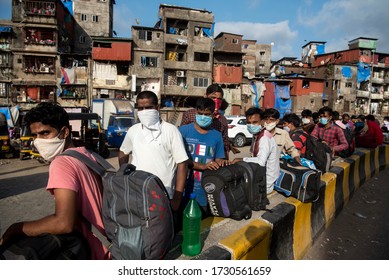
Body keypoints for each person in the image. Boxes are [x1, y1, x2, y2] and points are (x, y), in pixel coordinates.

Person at [0, 103, 109, 259]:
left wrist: (16, 228)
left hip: (94, 252)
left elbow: (63, 223)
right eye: (35, 135)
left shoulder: (61, 163)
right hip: (110, 246)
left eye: (45, 133)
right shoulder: (88, 155)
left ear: (64, 132)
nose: (38, 141)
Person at [118, 91, 189, 212]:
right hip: (137, 192)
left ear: (157, 107)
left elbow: (182, 163)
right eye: (141, 108)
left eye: (148, 108)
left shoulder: (171, 131)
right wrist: (124, 175)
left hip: (164, 194)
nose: (144, 111)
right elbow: (123, 152)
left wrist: (177, 197)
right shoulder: (133, 130)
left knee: (162, 229)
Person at [179, 97, 228, 213]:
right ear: (195, 112)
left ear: (212, 115)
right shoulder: (183, 131)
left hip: (205, 192)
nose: (203, 117)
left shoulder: (216, 135)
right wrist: (203, 166)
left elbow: (219, 160)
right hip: (183, 190)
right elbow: (179, 160)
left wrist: (221, 163)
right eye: (200, 113)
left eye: (206, 114)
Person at [231, 107, 279, 194]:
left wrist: (241, 159)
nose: (251, 125)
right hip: (260, 178)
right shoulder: (257, 135)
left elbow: (260, 161)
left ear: (262, 122)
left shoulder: (264, 138)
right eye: (249, 123)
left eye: (254, 122)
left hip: (266, 184)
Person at [180, 84, 230, 159]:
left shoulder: (222, 121)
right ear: (205, 96)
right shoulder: (189, 114)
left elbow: (225, 144)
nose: (216, 101)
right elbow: (180, 139)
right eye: (213, 97)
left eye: (219, 99)